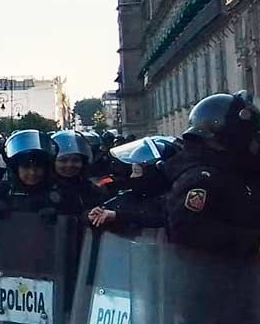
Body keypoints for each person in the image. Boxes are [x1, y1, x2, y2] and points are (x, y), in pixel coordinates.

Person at [163, 91, 260, 257]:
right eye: (250, 139)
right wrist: (252, 242)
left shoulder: (232, 169)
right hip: (221, 278)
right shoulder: (201, 178)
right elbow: (187, 230)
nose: (253, 146)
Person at [88, 136, 178, 233]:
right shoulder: (127, 196)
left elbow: (159, 219)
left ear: (154, 172)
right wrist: (92, 215)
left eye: (136, 171)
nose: (131, 176)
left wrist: (118, 216)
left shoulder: (171, 202)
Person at [0, 130, 61, 215]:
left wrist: (58, 215)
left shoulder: (57, 191)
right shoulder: (2, 190)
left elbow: (72, 221)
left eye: (38, 167)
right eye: (26, 167)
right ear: (15, 169)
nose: (32, 172)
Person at [50, 130, 105, 216]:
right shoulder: (43, 189)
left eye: (76, 160)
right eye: (63, 160)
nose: (69, 165)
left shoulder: (92, 189)